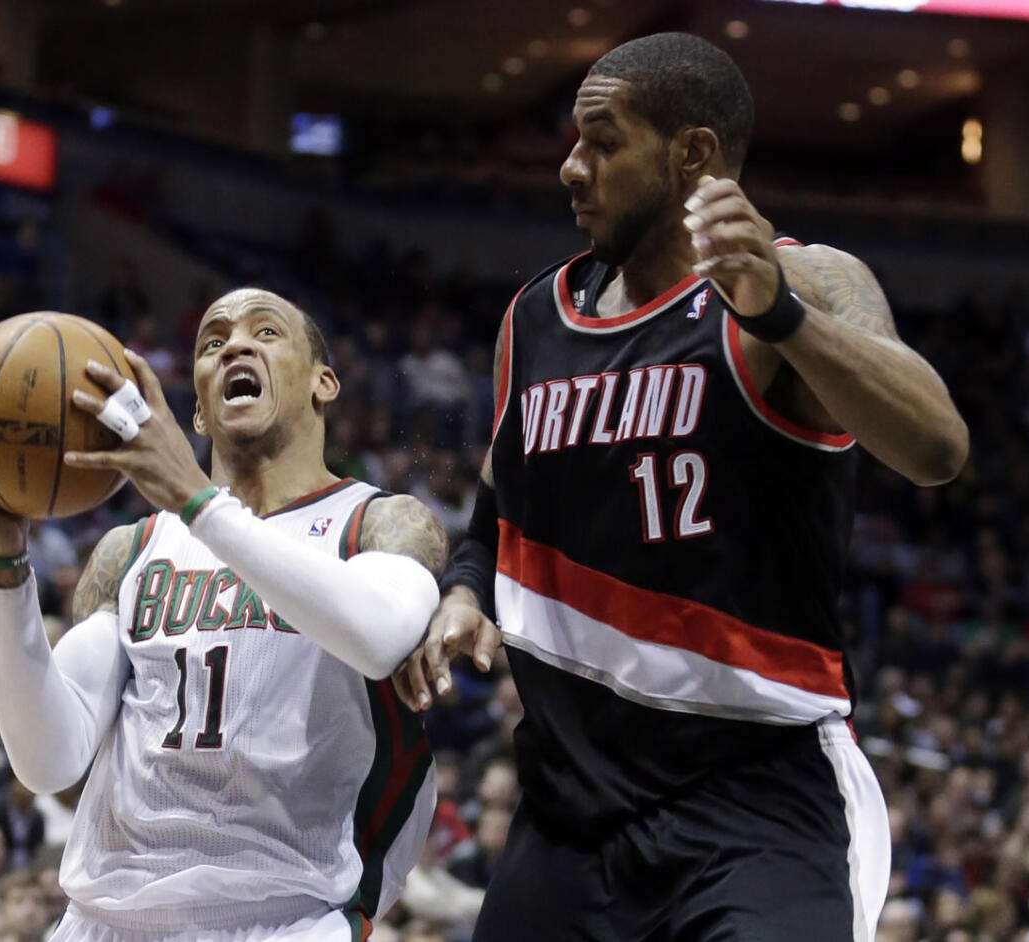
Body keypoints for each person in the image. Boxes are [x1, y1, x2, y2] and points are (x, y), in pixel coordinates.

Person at [395, 32, 969, 942]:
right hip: (567, 818)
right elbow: (497, 507)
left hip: (754, 808)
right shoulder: (535, 318)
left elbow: (937, 444)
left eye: (602, 140)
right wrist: (467, 588)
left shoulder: (810, 280)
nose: (570, 169)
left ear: (692, 152)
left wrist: (778, 310)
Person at [0, 287, 448, 941]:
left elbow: (377, 638)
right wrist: (6, 566)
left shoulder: (381, 523)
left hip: (285, 918)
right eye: (212, 341)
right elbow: (48, 760)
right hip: (101, 919)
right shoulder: (131, 550)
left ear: (324, 382)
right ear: (198, 411)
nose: (234, 344)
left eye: (265, 332)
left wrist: (198, 500)